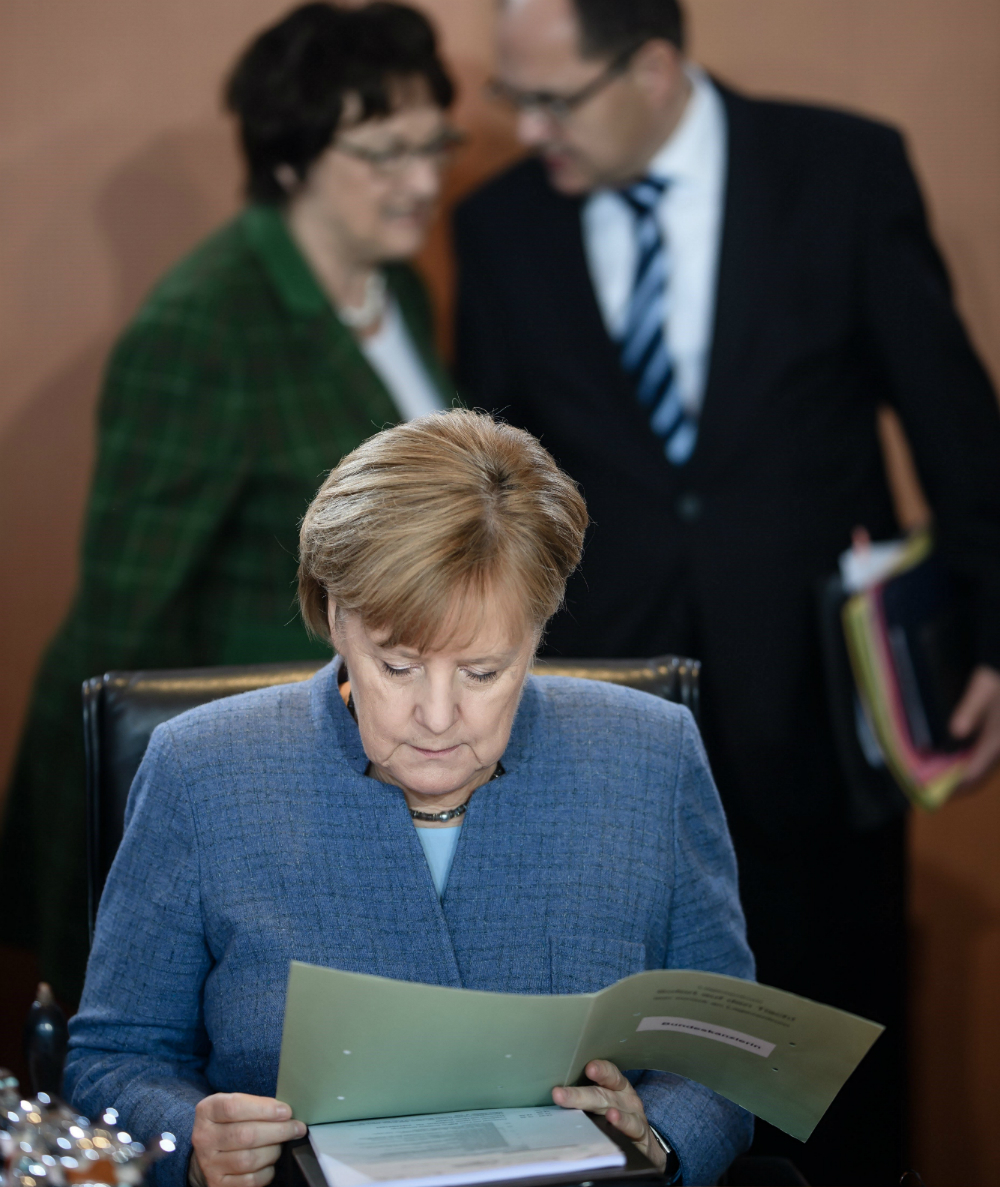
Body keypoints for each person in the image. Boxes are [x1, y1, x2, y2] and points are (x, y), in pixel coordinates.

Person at [452, 1, 1000, 1183]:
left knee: (833, 1046)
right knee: (623, 1065)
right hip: (601, 722)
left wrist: (992, 638)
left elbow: (957, 424)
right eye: (515, 98)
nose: (530, 129)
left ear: (652, 67)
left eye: (555, 98)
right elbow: (489, 486)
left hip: (813, 707)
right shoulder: (498, 228)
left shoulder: (843, 169)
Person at [65, 410, 755, 1187]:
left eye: (484, 672)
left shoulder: (651, 757)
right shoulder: (202, 769)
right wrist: (193, 1144)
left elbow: (723, 1059)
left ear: (538, 629)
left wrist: (657, 1141)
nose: (436, 715)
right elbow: (112, 1060)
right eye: (396, 666)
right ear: (333, 616)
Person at [1, 0, 463, 1004]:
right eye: (384, 154)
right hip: (251, 780)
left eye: (434, 145)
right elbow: (126, 625)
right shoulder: (205, 321)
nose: (424, 182)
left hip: (371, 764)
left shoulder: (400, 289)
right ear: (291, 159)